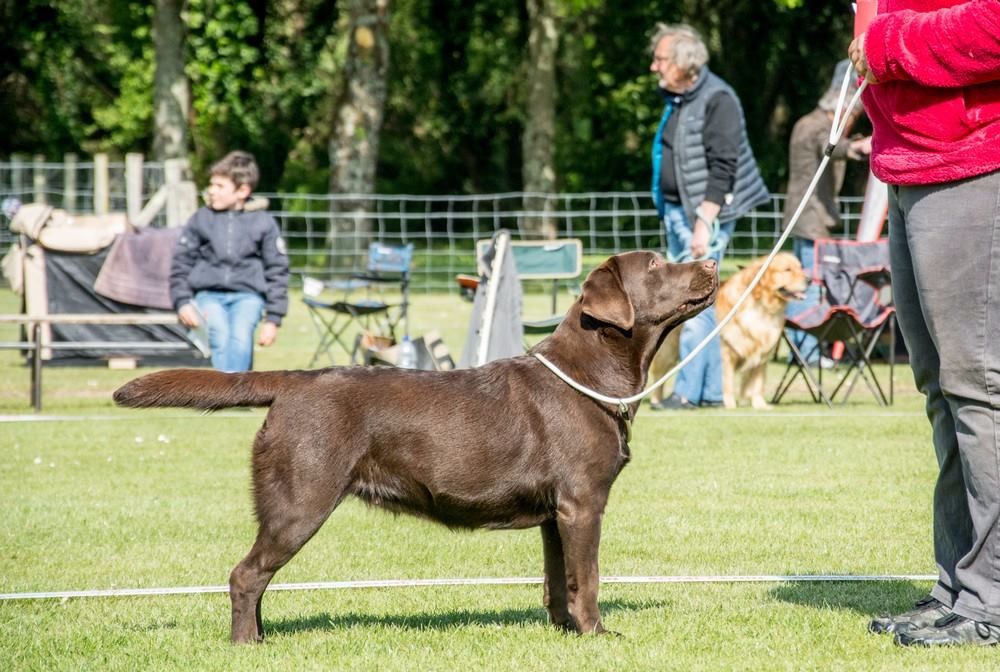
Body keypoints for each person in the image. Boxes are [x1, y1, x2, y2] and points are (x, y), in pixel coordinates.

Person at [849, 0, 1000, 647]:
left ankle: (990, 599)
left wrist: (885, 45)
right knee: (942, 392)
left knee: (978, 389)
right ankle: (957, 586)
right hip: (910, 166)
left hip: (972, 162)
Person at [647, 23, 770, 410]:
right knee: (696, 299)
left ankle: (686, 393)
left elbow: (723, 167)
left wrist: (704, 221)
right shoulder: (679, 98)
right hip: (678, 212)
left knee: (693, 299)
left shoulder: (719, 99)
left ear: (685, 63)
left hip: (704, 213)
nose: (654, 66)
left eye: (661, 59)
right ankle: (712, 392)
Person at [783, 60, 872, 367]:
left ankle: (797, 350)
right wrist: (861, 148)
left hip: (799, 216)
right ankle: (806, 354)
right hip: (813, 218)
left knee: (797, 284)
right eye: (854, 114)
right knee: (808, 286)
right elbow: (831, 146)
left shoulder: (804, 121)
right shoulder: (822, 128)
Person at [170, 151, 289, 373]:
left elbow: (278, 270)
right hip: (208, 296)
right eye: (211, 184)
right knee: (219, 333)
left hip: (248, 296)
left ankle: (235, 396)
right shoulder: (201, 219)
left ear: (242, 191)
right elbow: (181, 263)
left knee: (241, 337)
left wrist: (273, 319)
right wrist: (182, 302)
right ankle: (227, 397)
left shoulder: (264, 223)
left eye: (219, 186)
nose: (211, 191)